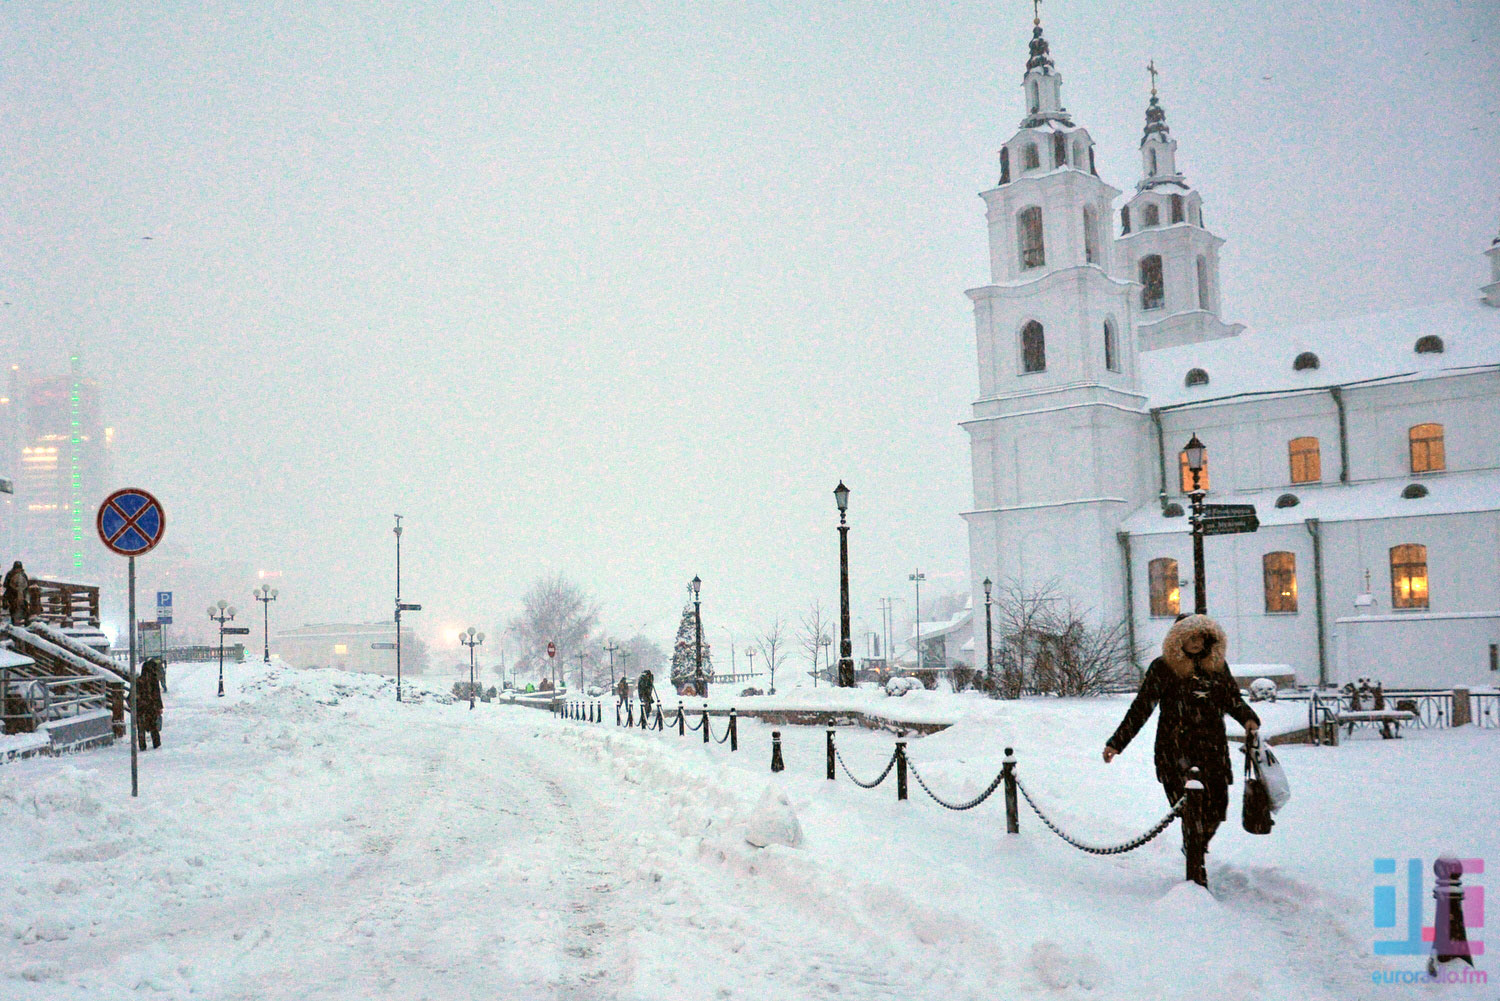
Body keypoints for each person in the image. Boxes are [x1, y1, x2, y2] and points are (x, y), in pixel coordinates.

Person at [1102, 614, 1259, 886]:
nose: (1196, 642)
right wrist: (1117, 743)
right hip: (1174, 750)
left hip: (1212, 749)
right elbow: (1141, 708)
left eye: (1201, 636)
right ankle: (1196, 871)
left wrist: (1248, 718)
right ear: (1178, 639)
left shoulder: (1217, 667)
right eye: (1190, 636)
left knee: (1216, 808)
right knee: (1188, 810)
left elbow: (1232, 699)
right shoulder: (1163, 668)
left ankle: (1195, 846)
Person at [136, 656, 165, 750]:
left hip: (140, 708)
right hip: (151, 707)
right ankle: (156, 744)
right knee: (153, 726)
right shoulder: (153, 680)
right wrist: (159, 707)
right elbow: (157, 695)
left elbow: (133, 695)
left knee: (141, 728)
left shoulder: (138, 680)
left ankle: (142, 745)